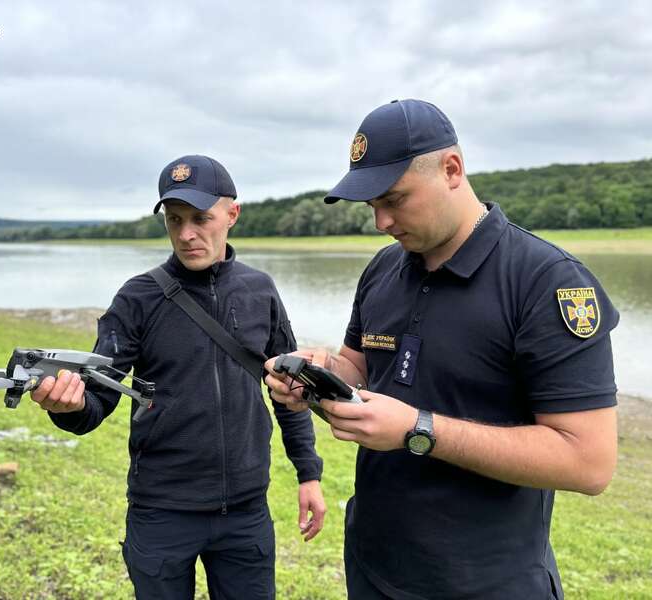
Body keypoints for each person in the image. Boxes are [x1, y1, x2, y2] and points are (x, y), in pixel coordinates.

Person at [265, 99, 619, 599]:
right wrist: (317, 371)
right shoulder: (383, 270)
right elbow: (361, 370)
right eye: (371, 206)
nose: (380, 222)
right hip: (374, 565)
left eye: (394, 199)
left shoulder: (546, 281)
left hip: (485, 581)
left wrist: (417, 430)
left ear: (452, 170)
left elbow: (588, 462)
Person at [32, 154, 326, 600]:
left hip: (246, 511)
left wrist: (309, 474)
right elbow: (95, 403)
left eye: (200, 218)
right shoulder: (137, 297)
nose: (186, 234)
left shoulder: (260, 290)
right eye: (174, 220)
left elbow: (289, 392)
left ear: (232, 214)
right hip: (162, 511)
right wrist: (66, 407)